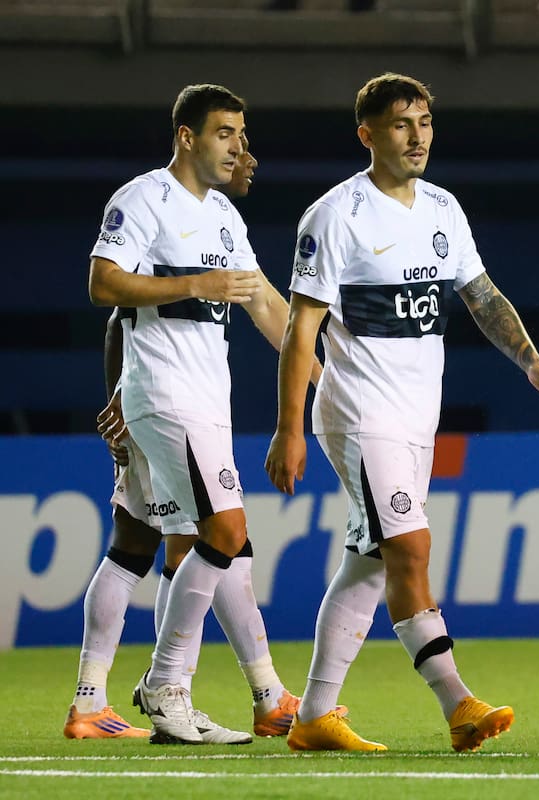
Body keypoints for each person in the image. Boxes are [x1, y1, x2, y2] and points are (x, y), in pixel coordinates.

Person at [264, 72, 539, 753]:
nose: (417, 136)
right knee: (410, 547)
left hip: (415, 417)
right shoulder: (334, 215)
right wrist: (289, 428)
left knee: (372, 562)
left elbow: (482, 296)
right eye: (402, 124)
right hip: (357, 410)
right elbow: (300, 330)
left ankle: (314, 716)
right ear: (367, 134)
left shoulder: (441, 210)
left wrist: (532, 362)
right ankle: (458, 703)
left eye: (426, 122)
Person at [87, 84, 314, 745]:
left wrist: (327, 382)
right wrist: (196, 285)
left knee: (205, 545)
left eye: (242, 135)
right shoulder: (142, 199)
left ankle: (231, 693)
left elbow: (267, 306)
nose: (238, 146)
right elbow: (104, 285)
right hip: (164, 395)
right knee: (224, 533)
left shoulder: (223, 218)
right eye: (224, 133)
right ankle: (168, 685)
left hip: (207, 402)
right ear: (187, 136)